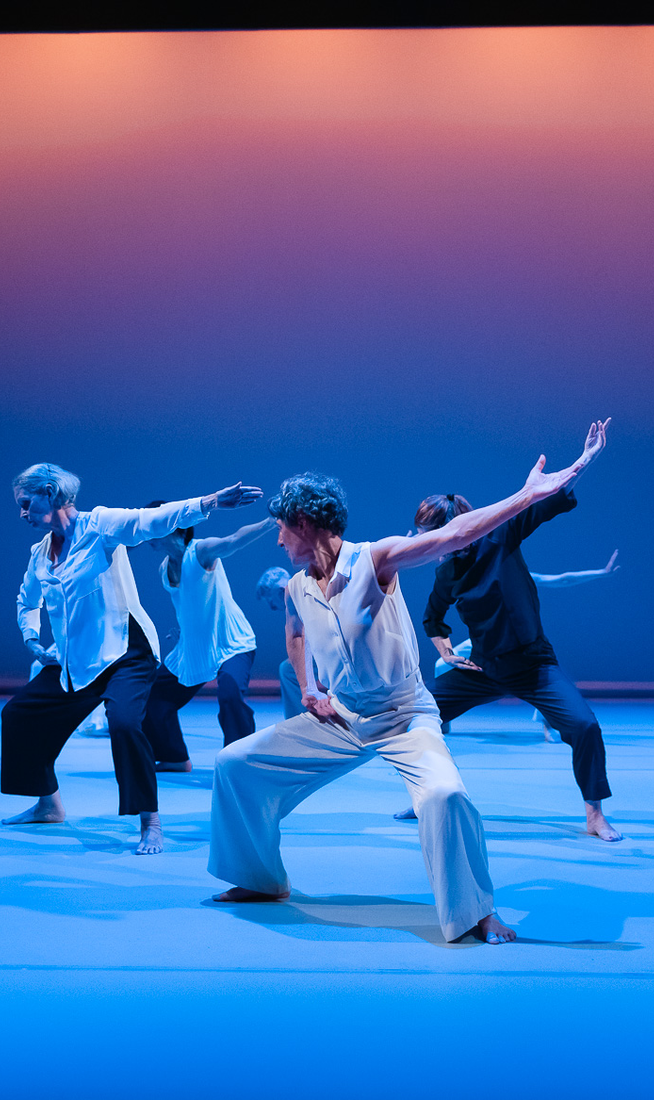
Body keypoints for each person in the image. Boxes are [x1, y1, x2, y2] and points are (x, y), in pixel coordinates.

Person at [208, 436, 590, 945]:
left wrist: (526, 496)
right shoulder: (298, 585)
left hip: (404, 713)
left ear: (303, 524)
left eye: (281, 528)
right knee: (235, 765)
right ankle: (260, 881)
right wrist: (307, 686)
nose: (279, 541)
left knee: (445, 794)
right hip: (342, 717)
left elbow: (453, 537)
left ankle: (475, 912)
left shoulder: (374, 559)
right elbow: (296, 630)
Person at [1, 463, 262, 854]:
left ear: (51, 493)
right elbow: (27, 600)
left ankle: (150, 820)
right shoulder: (40, 554)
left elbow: (152, 520)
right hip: (76, 660)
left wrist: (209, 503)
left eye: (26, 504)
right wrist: (33, 636)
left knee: (124, 723)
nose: (22, 513)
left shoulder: (100, 525)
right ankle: (47, 803)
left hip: (127, 652)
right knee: (18, 716)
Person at [395, 420, 620, 843]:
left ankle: (594, 815)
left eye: (431, 533)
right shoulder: (447, 572)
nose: (425, 541)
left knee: (585, 726)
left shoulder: (500, 535)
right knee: (418, 718)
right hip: (483, 667)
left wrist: (586, 458)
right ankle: (429, 795)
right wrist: (444, 651)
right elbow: (433, 619)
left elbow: (548, 495)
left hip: (533, 665)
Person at [141, 510, 277, 771]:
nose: (147, 533)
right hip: (193, 648)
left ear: (174, 527)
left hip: (231, 642)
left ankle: (241, 763)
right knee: (153, 696)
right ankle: (174, 757)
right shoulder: (164, 568)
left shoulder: (200, 551)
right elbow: (189, 602)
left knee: (229, 695)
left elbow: (233, 540)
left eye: (153, 525)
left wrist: (271, 520)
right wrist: (184, 630)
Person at [256, 566, 325, 719]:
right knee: (290, 666)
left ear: (280, 591)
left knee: (289, 669)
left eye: (271, 602)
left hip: (332, 645)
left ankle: (300, 720)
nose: (273, 608)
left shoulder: (297, 595)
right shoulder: (303, 589)